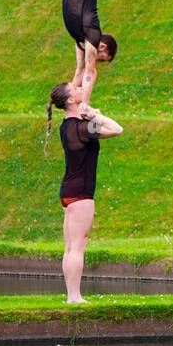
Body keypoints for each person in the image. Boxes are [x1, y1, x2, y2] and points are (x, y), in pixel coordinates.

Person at [45, 81, 124, 304]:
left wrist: (88, 116)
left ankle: (72, 295)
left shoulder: (67, 126)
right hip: (81, 193)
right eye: (76, 89)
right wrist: (96, 114)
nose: (80, 89)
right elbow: (117, 129)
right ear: (71, 100)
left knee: (71, 246)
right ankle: (74, 297)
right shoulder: (82, 128)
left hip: (68, 190)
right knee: (78, 246)